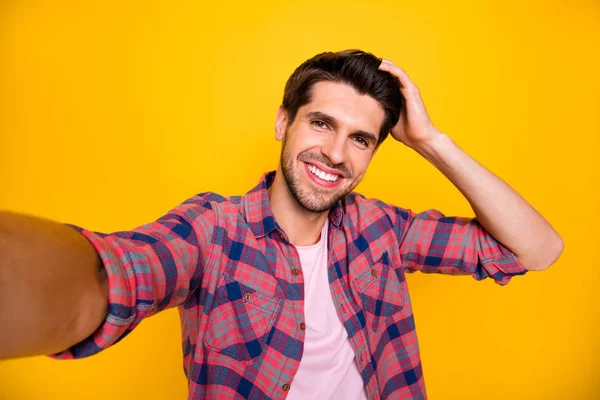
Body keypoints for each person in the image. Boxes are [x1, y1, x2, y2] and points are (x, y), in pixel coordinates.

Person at [0, 50, 563, 399]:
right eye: (322, 123)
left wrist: (432, 143)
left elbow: (537, 250)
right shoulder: (211, 231)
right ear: (283, 122)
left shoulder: (381, 229)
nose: (336, 153)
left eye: (360, 138)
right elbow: (113, 275)